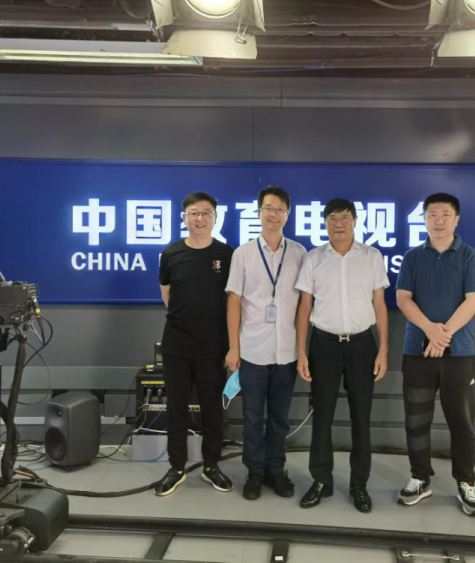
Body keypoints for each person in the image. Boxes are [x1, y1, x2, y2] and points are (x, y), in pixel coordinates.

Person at [295, 198, 389, 513]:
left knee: (361, 417)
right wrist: (301, 352)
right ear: (325, 223)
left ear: (355, 221)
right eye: (333, 218)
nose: (339, 224)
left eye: (345, 218)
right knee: (322, 416)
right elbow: (304, 307)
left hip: (363, 346)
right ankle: (321, 480)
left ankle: (359, 484)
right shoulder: (313, 259)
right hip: (324, 345)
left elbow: (380, 305)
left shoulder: (372, 257)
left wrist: (383, 349)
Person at [395, 192, 475, 517]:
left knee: (462, 423)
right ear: (424, 219)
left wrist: (443, 334)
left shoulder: (470, 256)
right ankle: (420, 477)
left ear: (456, 219)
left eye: (445, 214)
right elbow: (403, 298)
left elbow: (474, 300)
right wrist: (430, 331)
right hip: (417, 354)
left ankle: (466, 481)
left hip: (459, 355)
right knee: (416, 420)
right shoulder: (412, 257)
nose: (439, 220)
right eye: (432, 214)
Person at [225, 186, 307, 500]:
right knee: (252, 417)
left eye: (280, 209)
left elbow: (304, 306)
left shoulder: (299, 253)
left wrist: (302, 351)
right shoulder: (243, 253)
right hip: (252, 350)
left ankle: (276, 469)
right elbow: (234, 301)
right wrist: (234, 347)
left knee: (279, 417)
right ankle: (255, 471)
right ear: (259, 213)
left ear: (288, 214)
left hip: (286, 351)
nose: (274, 214)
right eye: (268, 208)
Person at [155, 192, 234, 497]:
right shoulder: (171, 253)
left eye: (206, 213)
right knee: (176, 409)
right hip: (177, 346)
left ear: (215, 217)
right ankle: (176, 468)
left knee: (212, 410)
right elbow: (167, 295)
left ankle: (211, 466)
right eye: (194, 213)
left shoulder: (226, 254)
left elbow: (232, 301)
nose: (200, 218)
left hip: (213, 348)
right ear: (184, 217)